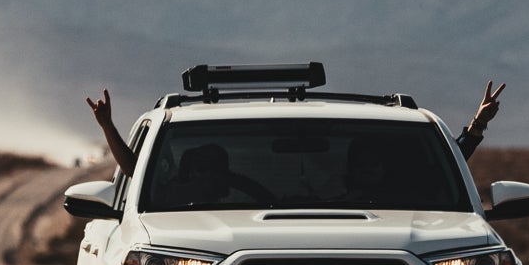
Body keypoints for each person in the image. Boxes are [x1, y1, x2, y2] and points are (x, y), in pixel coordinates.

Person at [86, 80, 507, 176]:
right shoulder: (169, 209)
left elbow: (440, 173)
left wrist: (475, 127)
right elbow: (134, 170)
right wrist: (108, 127)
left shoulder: (397, 197)